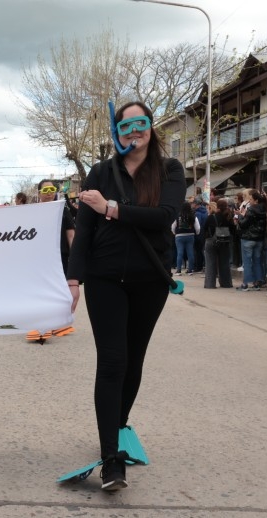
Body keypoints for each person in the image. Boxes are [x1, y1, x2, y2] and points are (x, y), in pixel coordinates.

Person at [67, 101, 185, 491]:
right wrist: (74, 281)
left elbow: (163, 216)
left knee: (134, 362)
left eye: (141, 123)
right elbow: (84, 229)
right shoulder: (101, 171)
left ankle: (117, 427)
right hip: (105, 280)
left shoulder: (169, 170)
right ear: (117, 131)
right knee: (113, 362)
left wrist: (112, 208)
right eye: (126, 125)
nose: (135, 131)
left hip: (150, 281)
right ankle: (110, 459)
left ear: (151, 127)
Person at [236, 191, 267, 290]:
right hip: (259, 239)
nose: (249, 201)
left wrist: (240, 216)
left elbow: (244, 224)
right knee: (257, 261)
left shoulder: (251, 210)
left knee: (247, 261)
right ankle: (257, 283)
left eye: (251, 199)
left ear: (256, 200)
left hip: (248, 238)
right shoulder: (264, 210)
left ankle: (245, 284)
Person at [203, 198, 235, 289]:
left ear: (217, 207)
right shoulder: (229, 217)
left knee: (210, 263)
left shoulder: (211, 217)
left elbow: (204, 228)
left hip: (211, 241)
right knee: (224, 263)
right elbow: (233, 230)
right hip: (224, 242)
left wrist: (206, 237)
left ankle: (210, 284)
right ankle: (226, 283)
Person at [171, 201, 200, 275]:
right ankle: (190, 270)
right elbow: (198, 227)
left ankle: (178, 270)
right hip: (190, 235)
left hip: (179, 236)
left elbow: (173, 226)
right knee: (190, 253)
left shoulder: (178, 216)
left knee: (180, 253)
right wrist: (196, 233)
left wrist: (175, 233)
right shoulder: (193, 216)